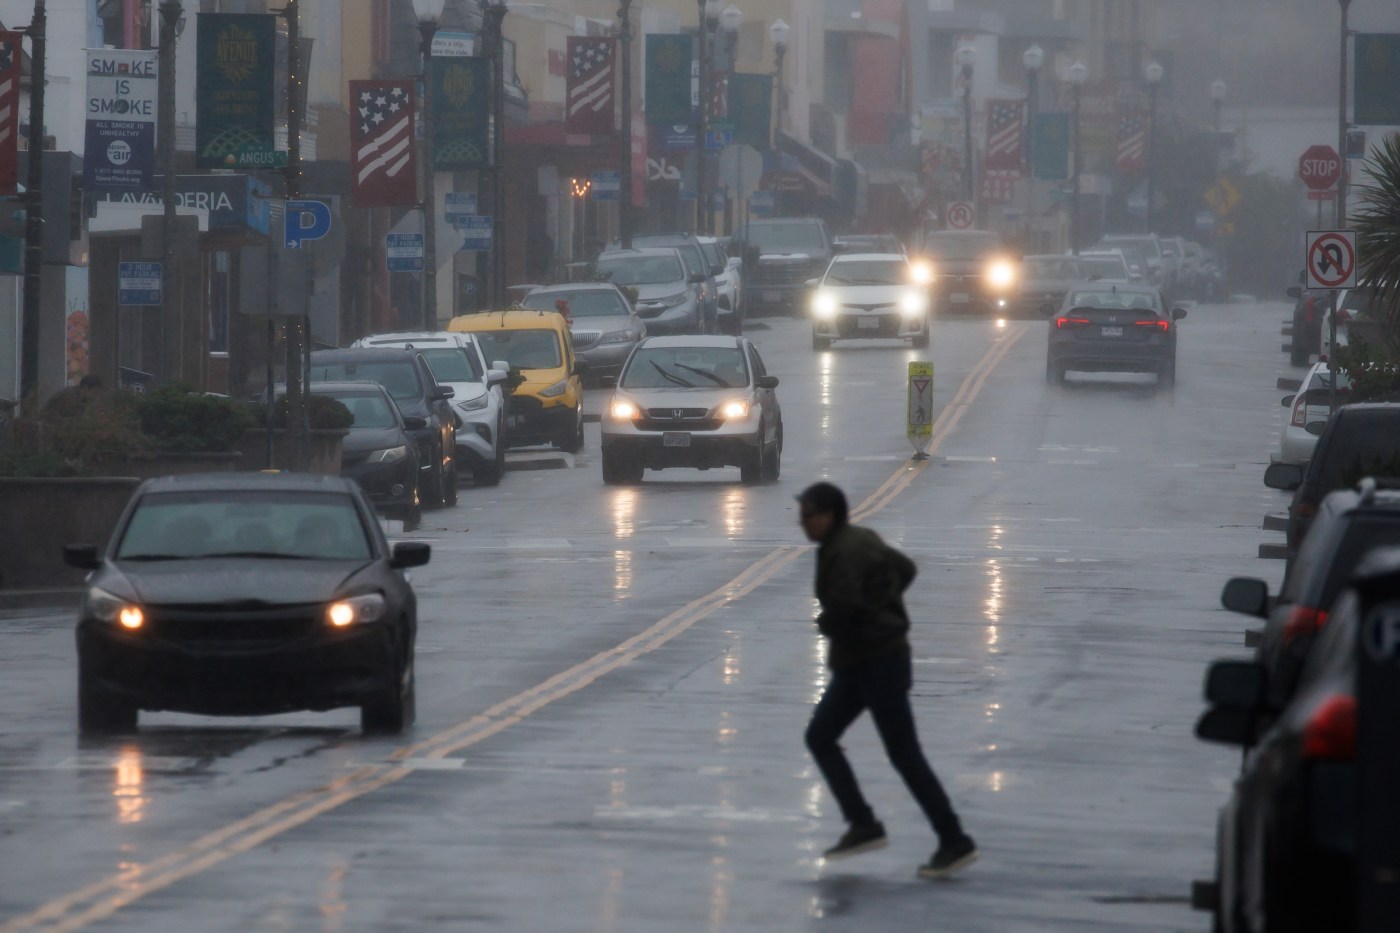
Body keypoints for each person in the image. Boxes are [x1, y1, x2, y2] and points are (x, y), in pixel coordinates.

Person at [797, 481, 977, 879]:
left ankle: (953, 839)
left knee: (903, 754)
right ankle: (863, 824)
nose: (803, 524)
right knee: (821, 736)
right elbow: (904, 569)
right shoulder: (855, 540)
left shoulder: (845, 549)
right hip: (861, 664)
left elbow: (845, 606)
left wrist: (835, 620)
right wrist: (885, 604)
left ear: (829, 516)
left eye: (809, 516)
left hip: (877, 663)